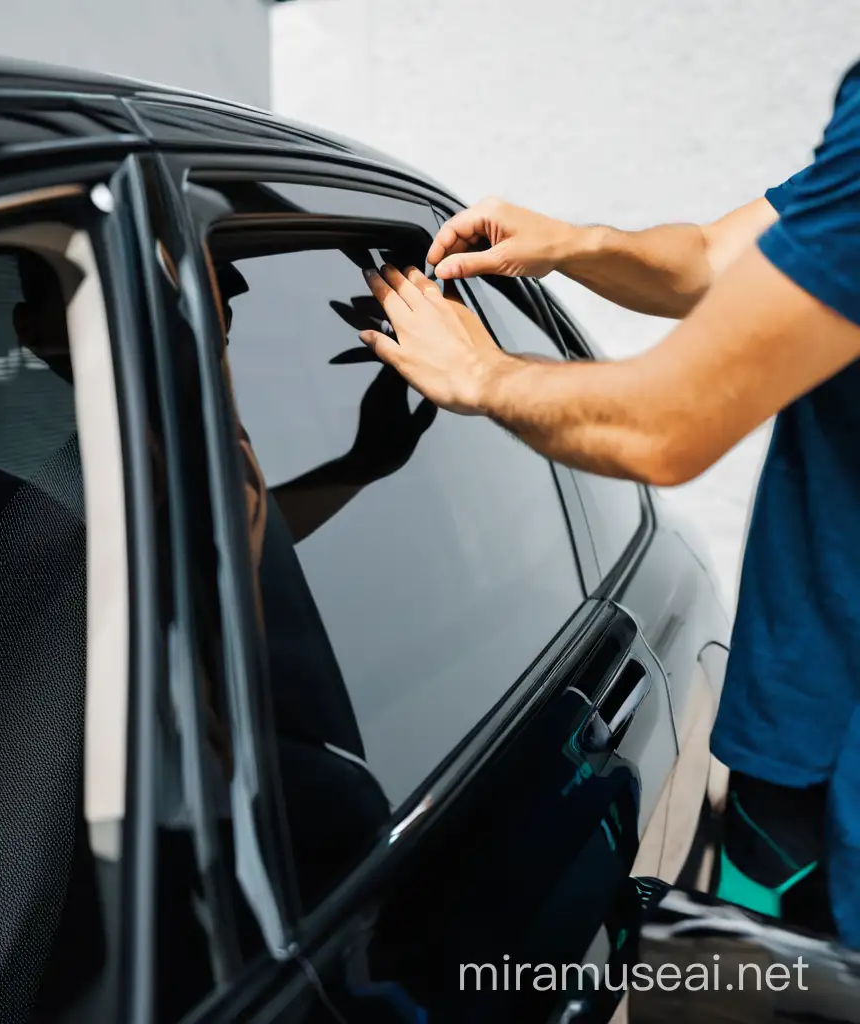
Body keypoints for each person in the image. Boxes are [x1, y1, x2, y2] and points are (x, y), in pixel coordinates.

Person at [358, 60, 860, 947]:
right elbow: (712, 261)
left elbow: (667, 427)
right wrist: (573, 243)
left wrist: (482, 373)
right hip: (797, 740)